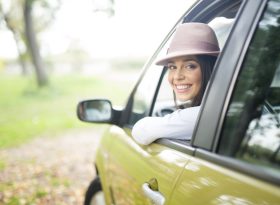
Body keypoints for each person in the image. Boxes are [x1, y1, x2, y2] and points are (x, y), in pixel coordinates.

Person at [132, 22, 220, 145]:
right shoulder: (220, 106)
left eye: (190, 66)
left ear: (210, 68)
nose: (177, 76)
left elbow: (141, 130)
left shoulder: (204, 116)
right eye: (172, 67)